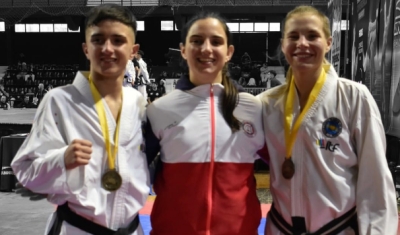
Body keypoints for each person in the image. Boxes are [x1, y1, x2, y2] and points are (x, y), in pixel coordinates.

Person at [258, 5, 398, 234]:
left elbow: (375, 183)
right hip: (280, 228)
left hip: (339, 228)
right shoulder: (266, 104)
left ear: (329, 42)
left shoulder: (354, 97)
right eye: (293, 36)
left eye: (312, 36)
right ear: (283, 45)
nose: (302, 43)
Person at [11, 4, 149, 235]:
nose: (107, 48)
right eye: (98, 40)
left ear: (133, 50)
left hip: (132, 229)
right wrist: (60, 159)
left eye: (118, 40)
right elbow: (25, 171)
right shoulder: (59, 101)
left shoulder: (138, 102)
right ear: (86, 48)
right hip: (77, 228)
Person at [145, 11, 265, 235]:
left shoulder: (254, 108)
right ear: (183, 50)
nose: (206, 48)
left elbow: (286, 167)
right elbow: (134, 170)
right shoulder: (159, 110)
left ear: (229, 52)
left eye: (216, 41)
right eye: (197, 41)